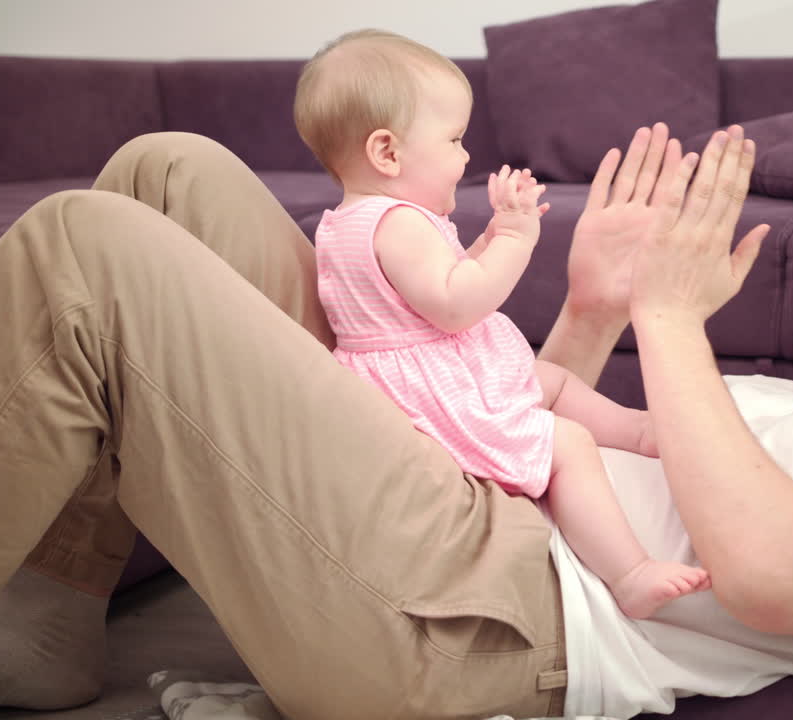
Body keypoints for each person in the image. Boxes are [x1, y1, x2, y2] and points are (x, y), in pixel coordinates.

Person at [0, 116, 793, 718]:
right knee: (165, 170)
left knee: (83, 249)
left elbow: (780, 580)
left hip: (494, 619)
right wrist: (587, 311)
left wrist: (667, 322)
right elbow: (527, 423)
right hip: (459, 498)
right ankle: (48, 618)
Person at [294, 30, 708, 620]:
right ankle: (631, 573)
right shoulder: (398, 223)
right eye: (455, 139)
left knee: (555, 383)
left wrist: (487, 236)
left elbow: (429, 286)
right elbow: (458, 304)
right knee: (567, 443)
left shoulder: (348, 222)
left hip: (425, 373)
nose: (466, 157)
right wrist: (515, 239)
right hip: (435, 389)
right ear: (387, 153)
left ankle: (641, 432)